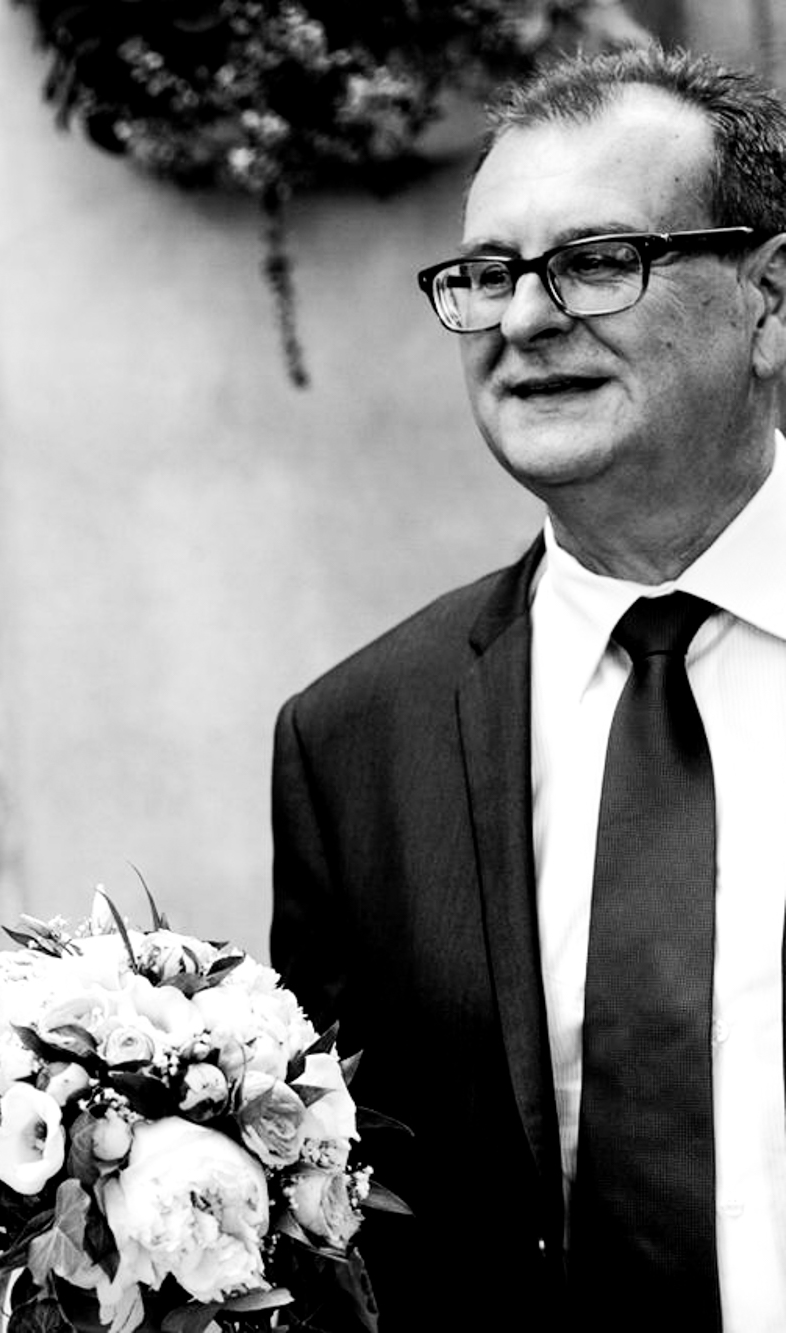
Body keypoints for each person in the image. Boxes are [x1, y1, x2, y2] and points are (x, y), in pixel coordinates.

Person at [271, 46, 786, 1333]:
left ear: (768, 300)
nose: (521, 320)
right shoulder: (352, 743)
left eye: (596, 261)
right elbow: (349, 1235)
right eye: (486, 273)